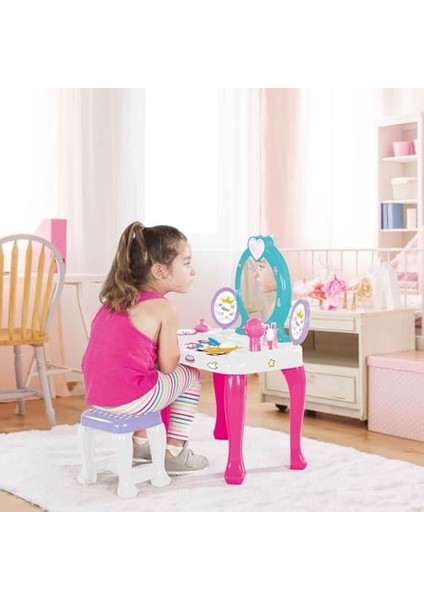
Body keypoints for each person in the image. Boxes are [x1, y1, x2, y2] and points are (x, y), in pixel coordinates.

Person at [82, 221, 208, 475]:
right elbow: (168, 366)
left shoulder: (113, 301)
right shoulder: (163, 307)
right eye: (186, 263)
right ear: (160, 270)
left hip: (97, 395)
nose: (192, 270)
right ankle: (175, 451)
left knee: (146, 376)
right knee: (192, 375)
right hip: (130, 400)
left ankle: (140, 444)